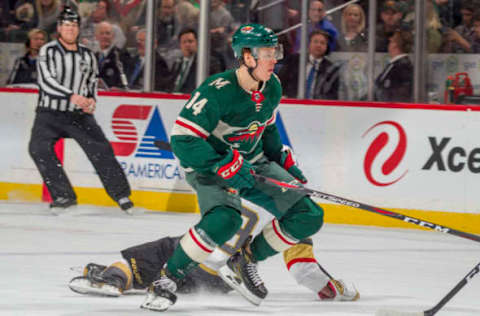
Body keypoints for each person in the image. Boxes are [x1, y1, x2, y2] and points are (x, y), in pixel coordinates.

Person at [141, 23, 327, 312]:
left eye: (275, 51)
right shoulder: (217, 91)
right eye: (267, 52)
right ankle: (166, 280)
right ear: (247, 57)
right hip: (209, 167)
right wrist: (219, 164)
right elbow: (182, 140)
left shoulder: (272, 87)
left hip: (252, 164)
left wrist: (282, 160)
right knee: (225, 221)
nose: (274, 58)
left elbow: (266, 130)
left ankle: (245, 260)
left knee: (308, 215)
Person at [68, 204, 359, 301]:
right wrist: (340, 289)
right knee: (162, 267)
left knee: (137, 261)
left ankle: (114, 279)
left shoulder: (235, 177)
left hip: (194, 251)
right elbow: (306, 273)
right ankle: (126, 278)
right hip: (217, 281)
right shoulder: (294, 216)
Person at [28, 6, 134, 213]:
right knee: (38, 148)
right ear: (59, 28)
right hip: (49, 113)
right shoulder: (47, 51)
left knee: (101, 149)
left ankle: (121, 195)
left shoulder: (87, 55)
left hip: (79, 115)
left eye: (74, 25)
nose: (70, 29)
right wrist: (71, 95)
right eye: (66, 25)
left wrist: (92, 100)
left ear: (78, 28)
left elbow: (92, 82)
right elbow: (46, 81)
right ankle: (63, 195)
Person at [279, 30, 340, 100]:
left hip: (317, 106)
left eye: (322, 43)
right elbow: (281, 81)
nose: (318, 45)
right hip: (293, 102)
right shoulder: (294, 60)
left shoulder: (331, 69)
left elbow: (332, 94)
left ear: (326, 47)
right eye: (315, 41)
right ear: (309, 44)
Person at [168, 27, 224, 93]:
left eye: (190, 41)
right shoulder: (177, 63)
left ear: (197, 43)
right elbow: (170, 86)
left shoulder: (208, 63)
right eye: (184, 42)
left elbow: (216, 86)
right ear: (180, 45)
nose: (187, 45)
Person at [374, 29, 413, 102]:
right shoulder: (396, 64)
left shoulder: (403, 66)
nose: (389, 42)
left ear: (395, 45)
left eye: (391, 41)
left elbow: (400, 95)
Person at [95, 21, 130, 90]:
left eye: (107, 33)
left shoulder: (121, 56)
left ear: (113, 36)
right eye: (101, 33)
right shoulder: (93, 57)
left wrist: (119, 88)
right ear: (96, 36)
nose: (105, 36)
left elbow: (126, 81)